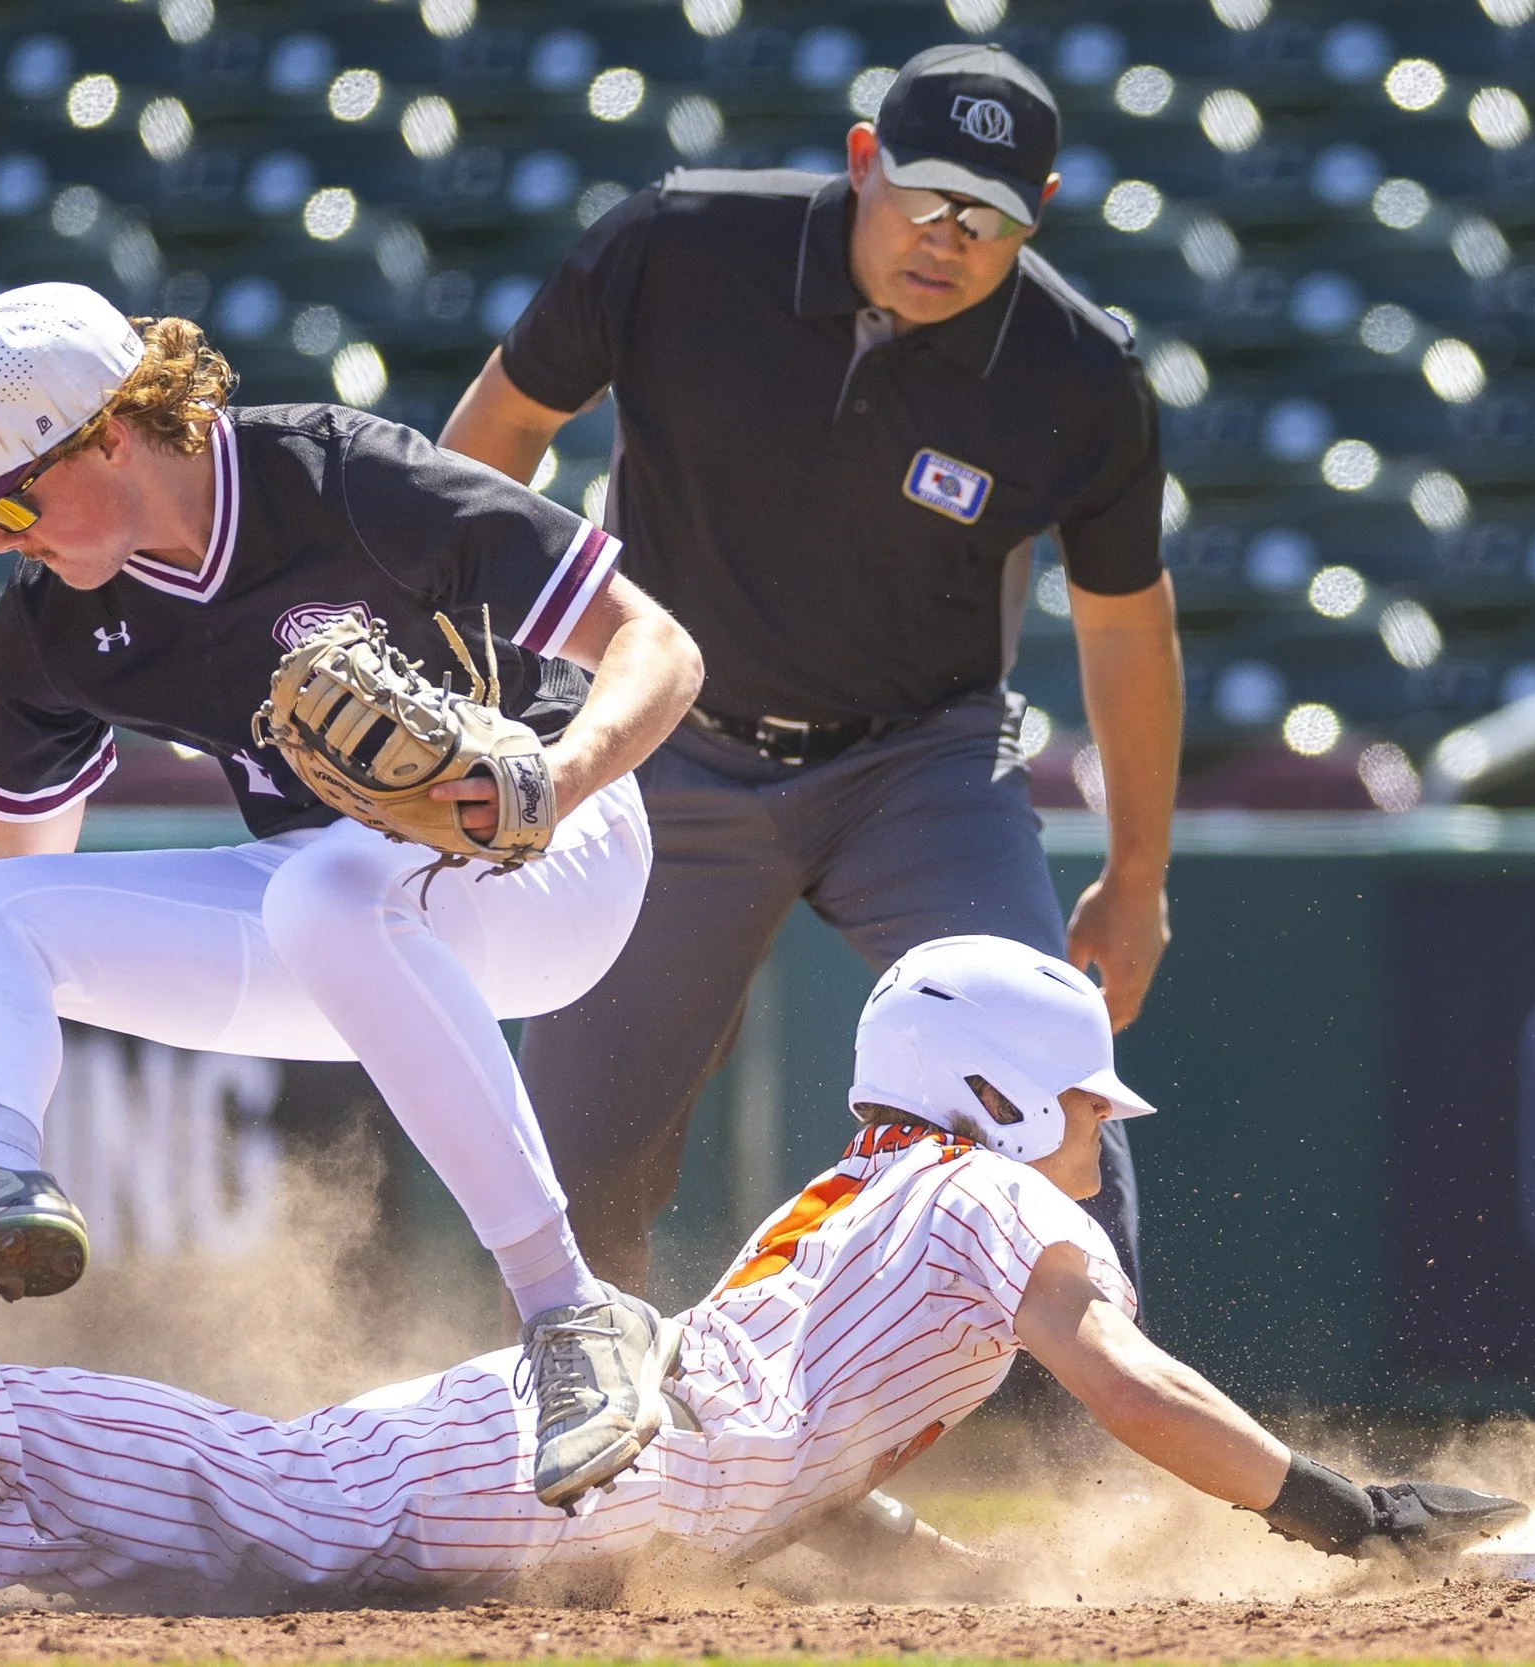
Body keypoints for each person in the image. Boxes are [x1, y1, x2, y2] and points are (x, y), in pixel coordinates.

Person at [0, 937, 1523, 1600]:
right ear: (1003, 1095)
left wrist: (951, 1578)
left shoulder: (883, 1194)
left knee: (216, 1542)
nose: (1099, 1140)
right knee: (252, 1503)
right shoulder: (992, 1196)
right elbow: (1124, 1378)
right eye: (1086, 1107)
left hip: (632, 1430)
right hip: (637, 1434)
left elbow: (807, 1485)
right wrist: (1333, 1506)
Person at [0, 281, 706, 1509]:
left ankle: (571, 1314)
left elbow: (658, 643)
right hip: (337, 895)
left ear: (111, 430)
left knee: (326, 893)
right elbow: (14, 852)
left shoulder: (344, 478)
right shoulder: (53, 626)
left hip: (556, 854)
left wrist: (555, 777)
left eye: (11, 495)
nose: (0, 536)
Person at [438, 44, 1185, 1299]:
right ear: (859, 162)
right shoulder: (678, 246)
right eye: (926, 194)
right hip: (661, 734)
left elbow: (1125, 622)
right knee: (571, 1169)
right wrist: (462, 671)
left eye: (989, 217)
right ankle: (600, 1444)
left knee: (1048, 1077)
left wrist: (1138, 874)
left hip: (924, 758)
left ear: (1036, 216)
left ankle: (1089, 1458)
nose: (948, 237)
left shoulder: (1078, 372)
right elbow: (499, 432)